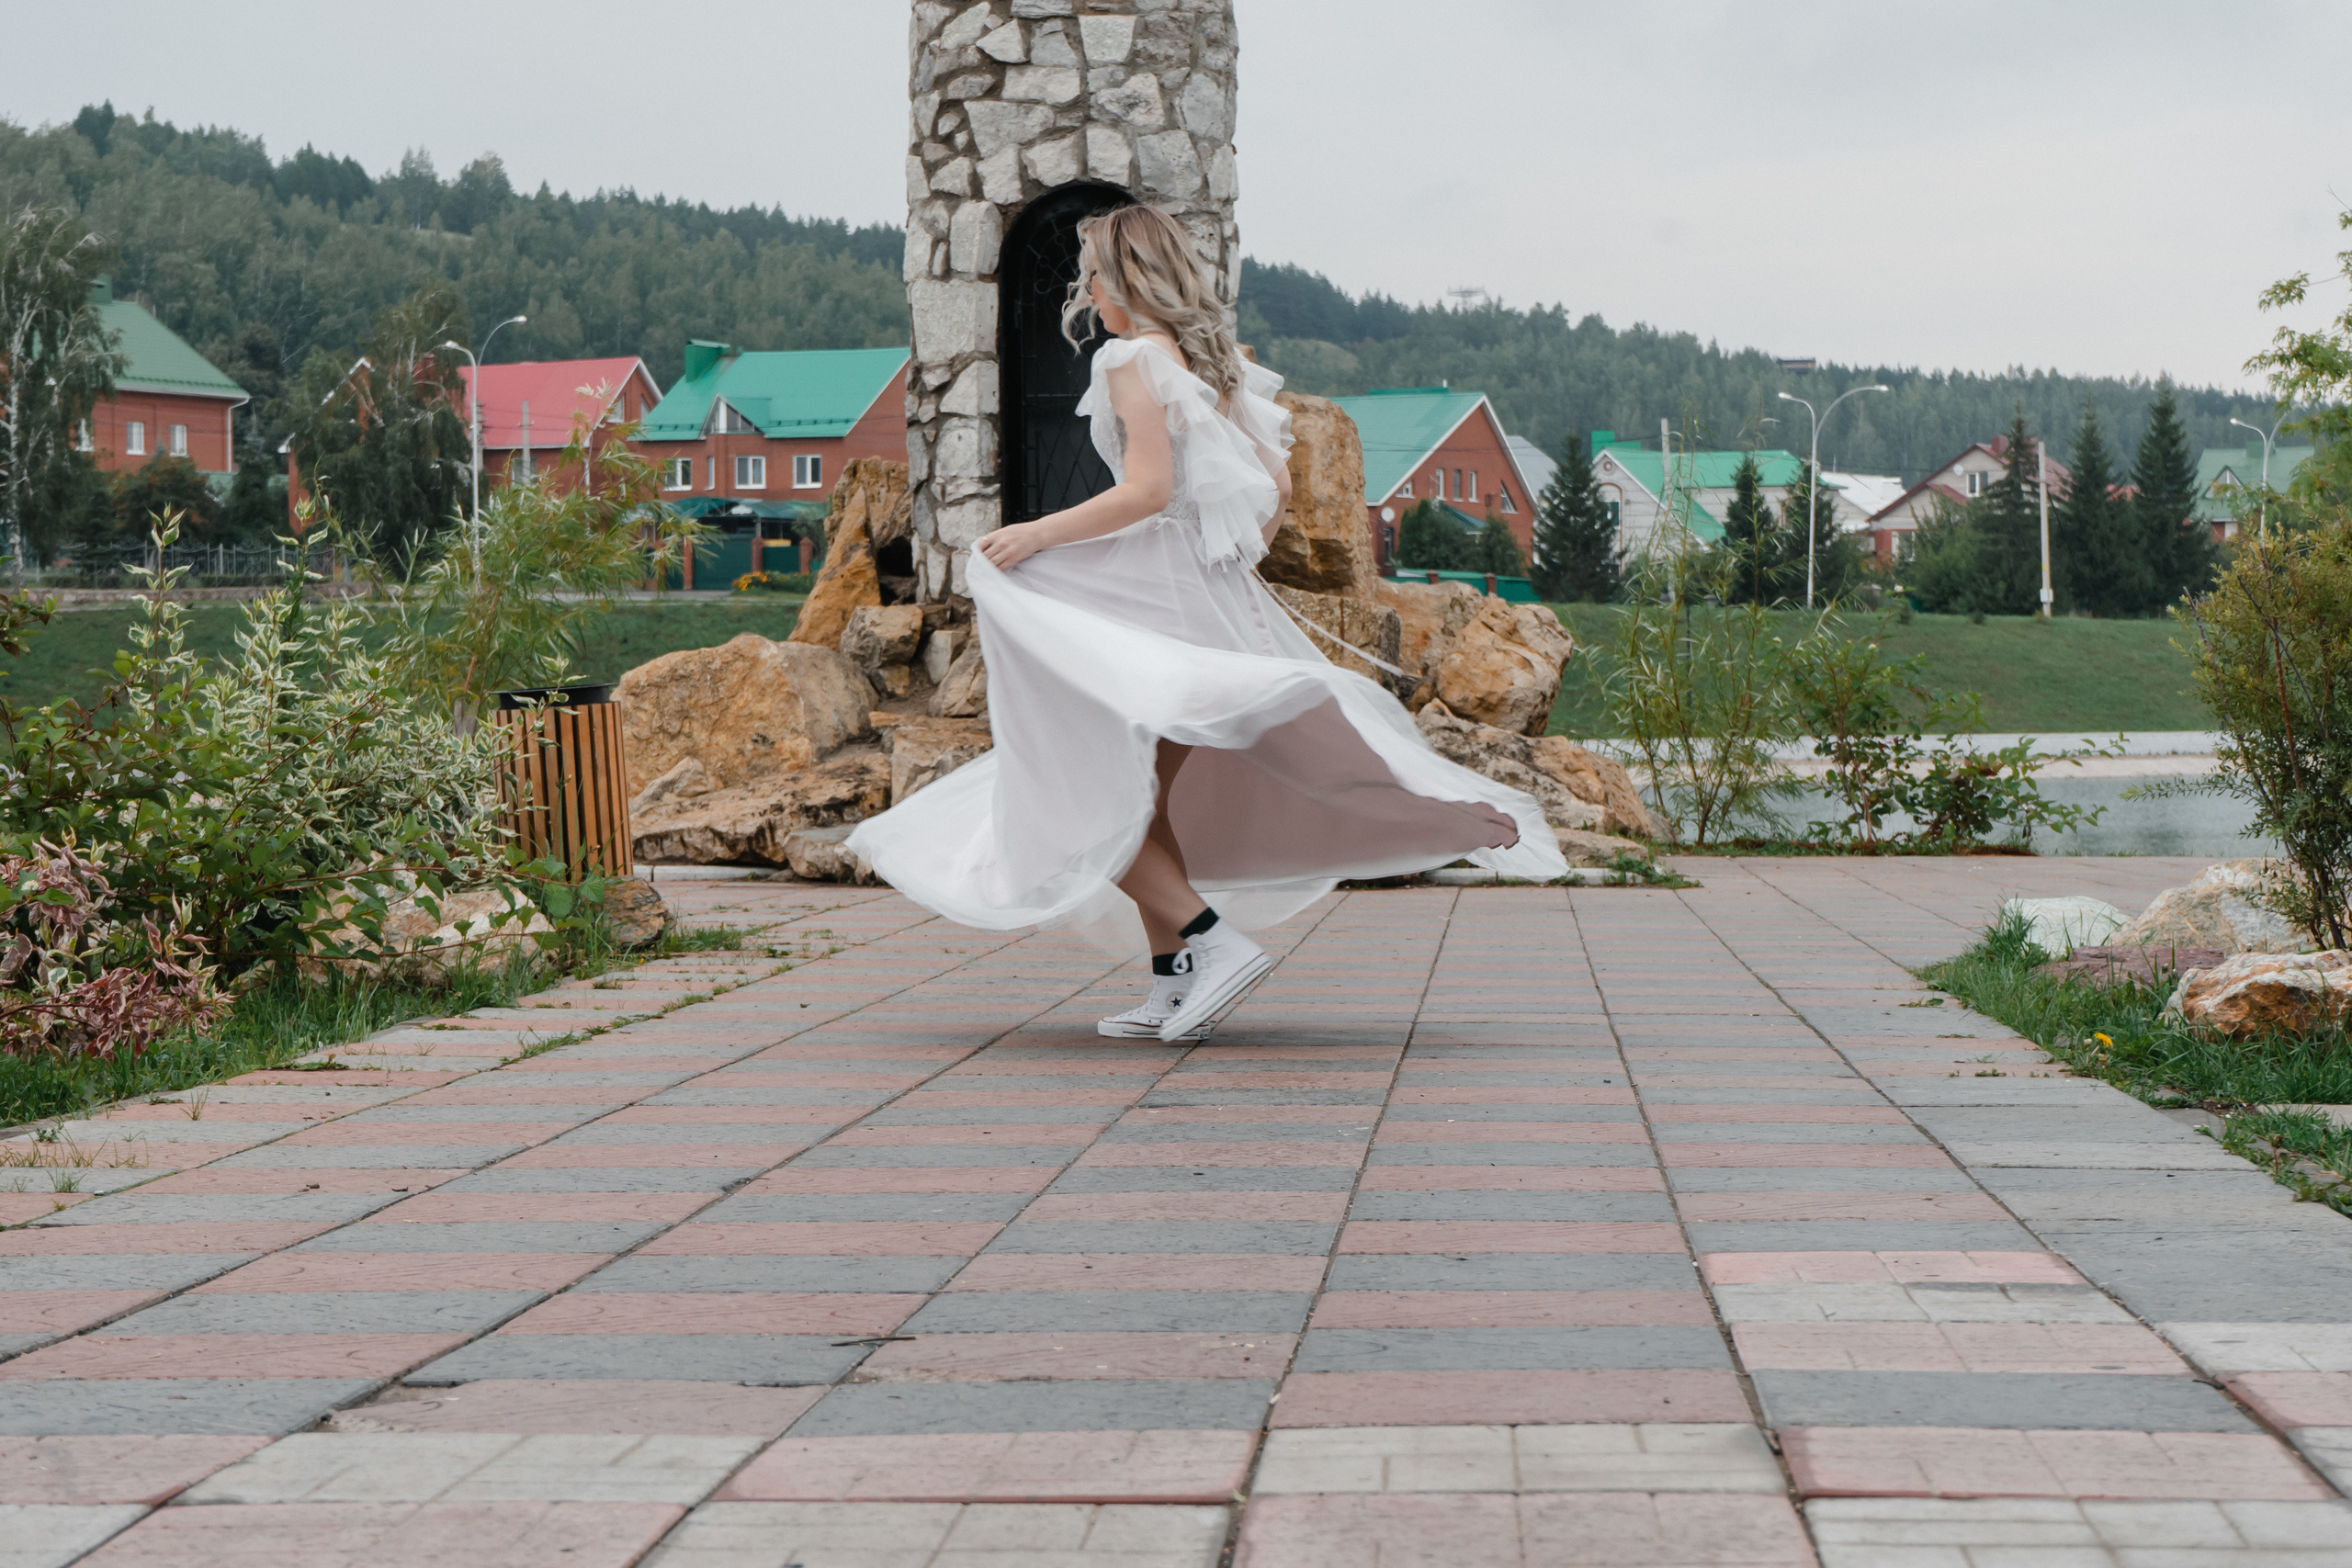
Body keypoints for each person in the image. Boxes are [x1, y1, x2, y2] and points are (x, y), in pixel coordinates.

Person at [847, 205, 1564, 1042]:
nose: (1086, 290)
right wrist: (1218, 559)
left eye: (1091, 275)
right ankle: (1174, 983)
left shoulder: (1129, 361)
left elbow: (1147, 490)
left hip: (1153, 602)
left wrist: (1037, 533)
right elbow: (1275, 491)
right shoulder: (1208, 366)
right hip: (1203, 599)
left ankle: (1211, 942)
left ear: (1122, 281)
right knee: (1136, 803)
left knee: (1075, 797)